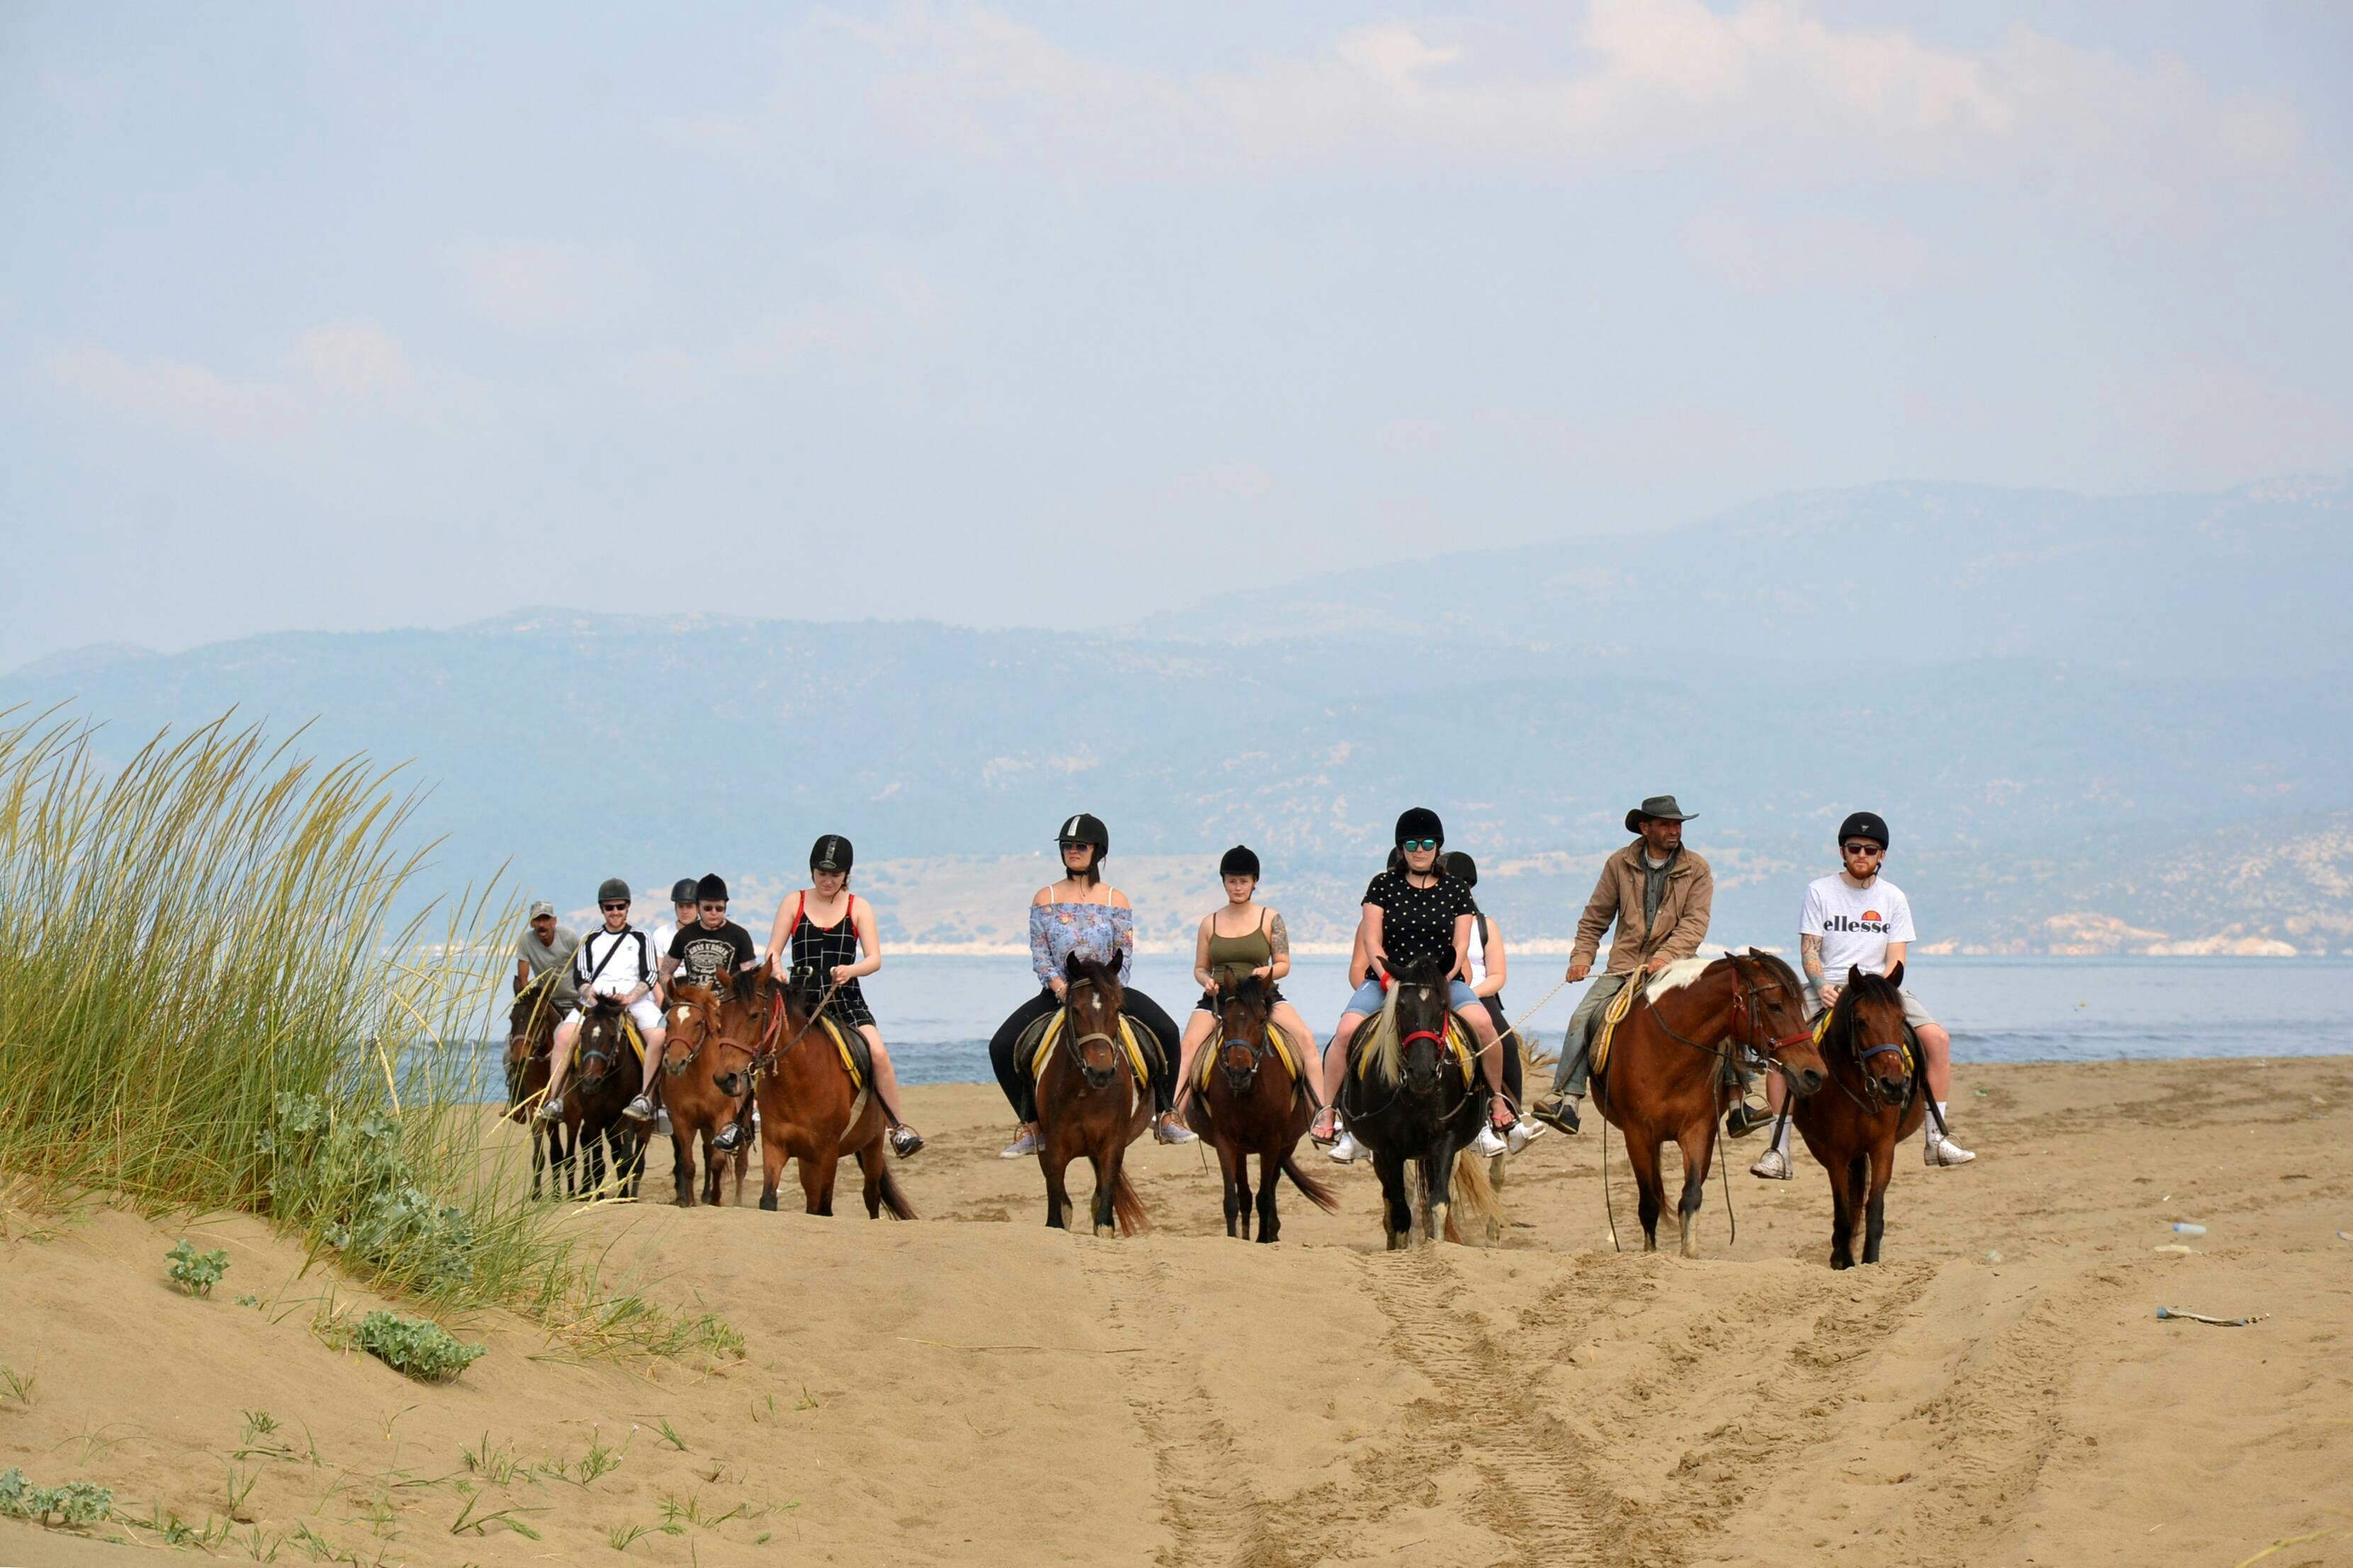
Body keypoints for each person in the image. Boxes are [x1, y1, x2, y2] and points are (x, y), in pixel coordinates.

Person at [1751, 811, 1976, 1178]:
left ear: (1881, 856)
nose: (1862, 855)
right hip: (1827, 986)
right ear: (1843, 851)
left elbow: (1896, 959)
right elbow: (1810, 949)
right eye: (1854, 848)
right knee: (1782, 1051)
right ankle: (1779, 1149)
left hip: (1879, 990)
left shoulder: (1893, 898)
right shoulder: (1820, 890)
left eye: (1870, 850)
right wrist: (1822, 986)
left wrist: (1873, 994)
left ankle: (1937, 1137)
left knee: (1938, 1039)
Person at [1532, 796, 1758, 1136]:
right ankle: (1567, 1098)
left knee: (1723, 1014)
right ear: (1645, 827)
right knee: (1583, 1017)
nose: (1674, 830)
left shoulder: (1697, 867)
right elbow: (1595, 918)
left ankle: (1741, 1099)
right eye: (1666, 824)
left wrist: (1665, 957)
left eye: (1678, 824)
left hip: (1679, 966)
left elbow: (1695, 923)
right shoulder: (1618, 864)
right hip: (1624, 967)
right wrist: (1582, 957)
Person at [1310, 808, 1521, 1163]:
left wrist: (1442, 981)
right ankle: (1332, 1114)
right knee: (1346, 1031)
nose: (1419, 850)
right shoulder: (1382, 885)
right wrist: (1391, 979)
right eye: (1411, 843)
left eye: (1426, 843)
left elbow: (1459, 946)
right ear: (1401, 848)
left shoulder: (1455, 890)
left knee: (1485, 1026)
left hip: (1442, 981)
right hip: (1387, 979)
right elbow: (1373, 942)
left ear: (1437, 847)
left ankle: (1495, 1102)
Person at [987, 813, 1193, 1158]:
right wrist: (1061, 988)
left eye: (1080, 846)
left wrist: (1108, 992)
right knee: (1000, 1046)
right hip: (1060, 993)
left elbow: (1123, 957)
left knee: (1168, 1031)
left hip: (1108, 994)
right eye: (1067, 846)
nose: (1072, 851)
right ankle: (1031, 1124)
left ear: (1098, 851)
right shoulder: (1045, 898)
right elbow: (1041, 956)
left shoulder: (1117, 900)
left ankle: (1167, 1114)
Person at [756, 835, 924, 1158]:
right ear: (812, 871)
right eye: (821, 873)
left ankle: (898, 1129)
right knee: (761, 1045)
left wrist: (852, 970)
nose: (827, 880)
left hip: (844, 997)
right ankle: (742, 1121)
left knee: (877, 1054)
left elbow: (875, 959)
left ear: (846, 874)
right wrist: (776, 969)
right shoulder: (794, 902)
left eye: (834, 874)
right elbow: (773, 951)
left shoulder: (858, 907)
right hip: (799, 998)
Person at [1172, 845, 1323, 1115]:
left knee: (1306, 1039)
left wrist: (1268, 973)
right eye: (1232, 881)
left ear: (1254, 883)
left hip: (1261, 998)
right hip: (1219, 998)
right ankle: (1174, 1115)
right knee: (1188, 1046)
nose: (1238, 887)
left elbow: (1284, 965)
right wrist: (1205, 981)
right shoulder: (1210, 923)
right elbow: (1200, 967)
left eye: (1243, 881)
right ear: (1224, 883)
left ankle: (1320, 1114)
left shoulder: (1271, 919)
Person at [636, 873, 761, 1127]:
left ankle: (755, 1103)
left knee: (746, 1044)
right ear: (699, 907)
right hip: (693, 1005)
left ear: (726, 906)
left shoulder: (739, 935)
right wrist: (677, 996)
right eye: (708, 908)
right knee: (659, 1038)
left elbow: (751, 978)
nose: (714, 912)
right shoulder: (685, 936)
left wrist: (735, 1000)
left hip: (726, 1007)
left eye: (719, 908)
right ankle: (648, 1098)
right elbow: (665, 972)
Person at [538, 878, 666, 1122]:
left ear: (628, 907)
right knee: (563, 1036)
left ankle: (649, 1100)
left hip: (633, 1000)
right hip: (597, 1002)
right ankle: (556, 1100)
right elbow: (581, 976)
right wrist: (591, 995)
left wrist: (630, 997)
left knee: (661, 1036)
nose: (615, 912)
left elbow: (650, 974)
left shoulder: (641, 937)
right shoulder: (590, 938)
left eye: (620, 907)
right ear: (602, 910)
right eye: (610, 908)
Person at [1447, 851, 1544, 1155]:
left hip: (1479, 995)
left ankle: (1511, 1118)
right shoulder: (1433, 921)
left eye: (1463, 884)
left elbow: (1498, 974)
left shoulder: (1485, 925)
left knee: (1506, 1043)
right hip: (1442, 993)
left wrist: (1471, 993)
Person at [512, 900, 580, 1009]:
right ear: (531, 923)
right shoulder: (526, 941)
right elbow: (523, 979)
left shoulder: (569, 938)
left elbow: (587, 966)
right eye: (537, 920)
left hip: (576, 1000)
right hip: (547, 1002)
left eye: (546, 919)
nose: (542, 924)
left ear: (554, 921)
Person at [651, 878, 699, 983]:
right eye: (681, 906)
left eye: (689, 907)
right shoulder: (661, 934)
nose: (684, 911)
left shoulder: (706, 935)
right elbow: (658, 972)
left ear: (698, 907)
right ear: (675, 907)